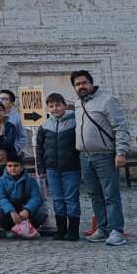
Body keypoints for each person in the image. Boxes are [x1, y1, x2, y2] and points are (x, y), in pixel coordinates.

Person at [72, 70, 130, 246]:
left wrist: (121, 152)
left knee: (110, 195)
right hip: (84, 156)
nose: (81, 86)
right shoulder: (77, 104)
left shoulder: (107, 100)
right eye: (77, 84)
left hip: (104, 155)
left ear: (91, 83)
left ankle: (116, 231)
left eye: (84, 83)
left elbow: (120, 126)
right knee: (94, 195)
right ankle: (103, 228)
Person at [36, 92, 81, 241]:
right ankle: (61, 230)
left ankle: (73, 231)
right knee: (57, 198)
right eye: (51, 106)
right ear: (48, 108)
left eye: (58, 105)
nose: (55, 108)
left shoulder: (75, 121)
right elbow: (39, 148)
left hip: (71, 167)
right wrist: (41, 168)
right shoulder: (44, 126)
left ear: (64, 105)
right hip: (51, 168)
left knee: (71, 198)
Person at [0, 158, 46, 239]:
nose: (12, 168)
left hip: (26, 212)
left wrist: (28, 210)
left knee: (42, 212)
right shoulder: (1, 181)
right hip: (11, 214)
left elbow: (36, 197)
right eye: (9, 166)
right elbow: (0, 198)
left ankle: (30, 228)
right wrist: (11, 211)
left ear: (22, 167)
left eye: (16, 166)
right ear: (6, 167)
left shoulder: (30, 180)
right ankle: (10, 230)